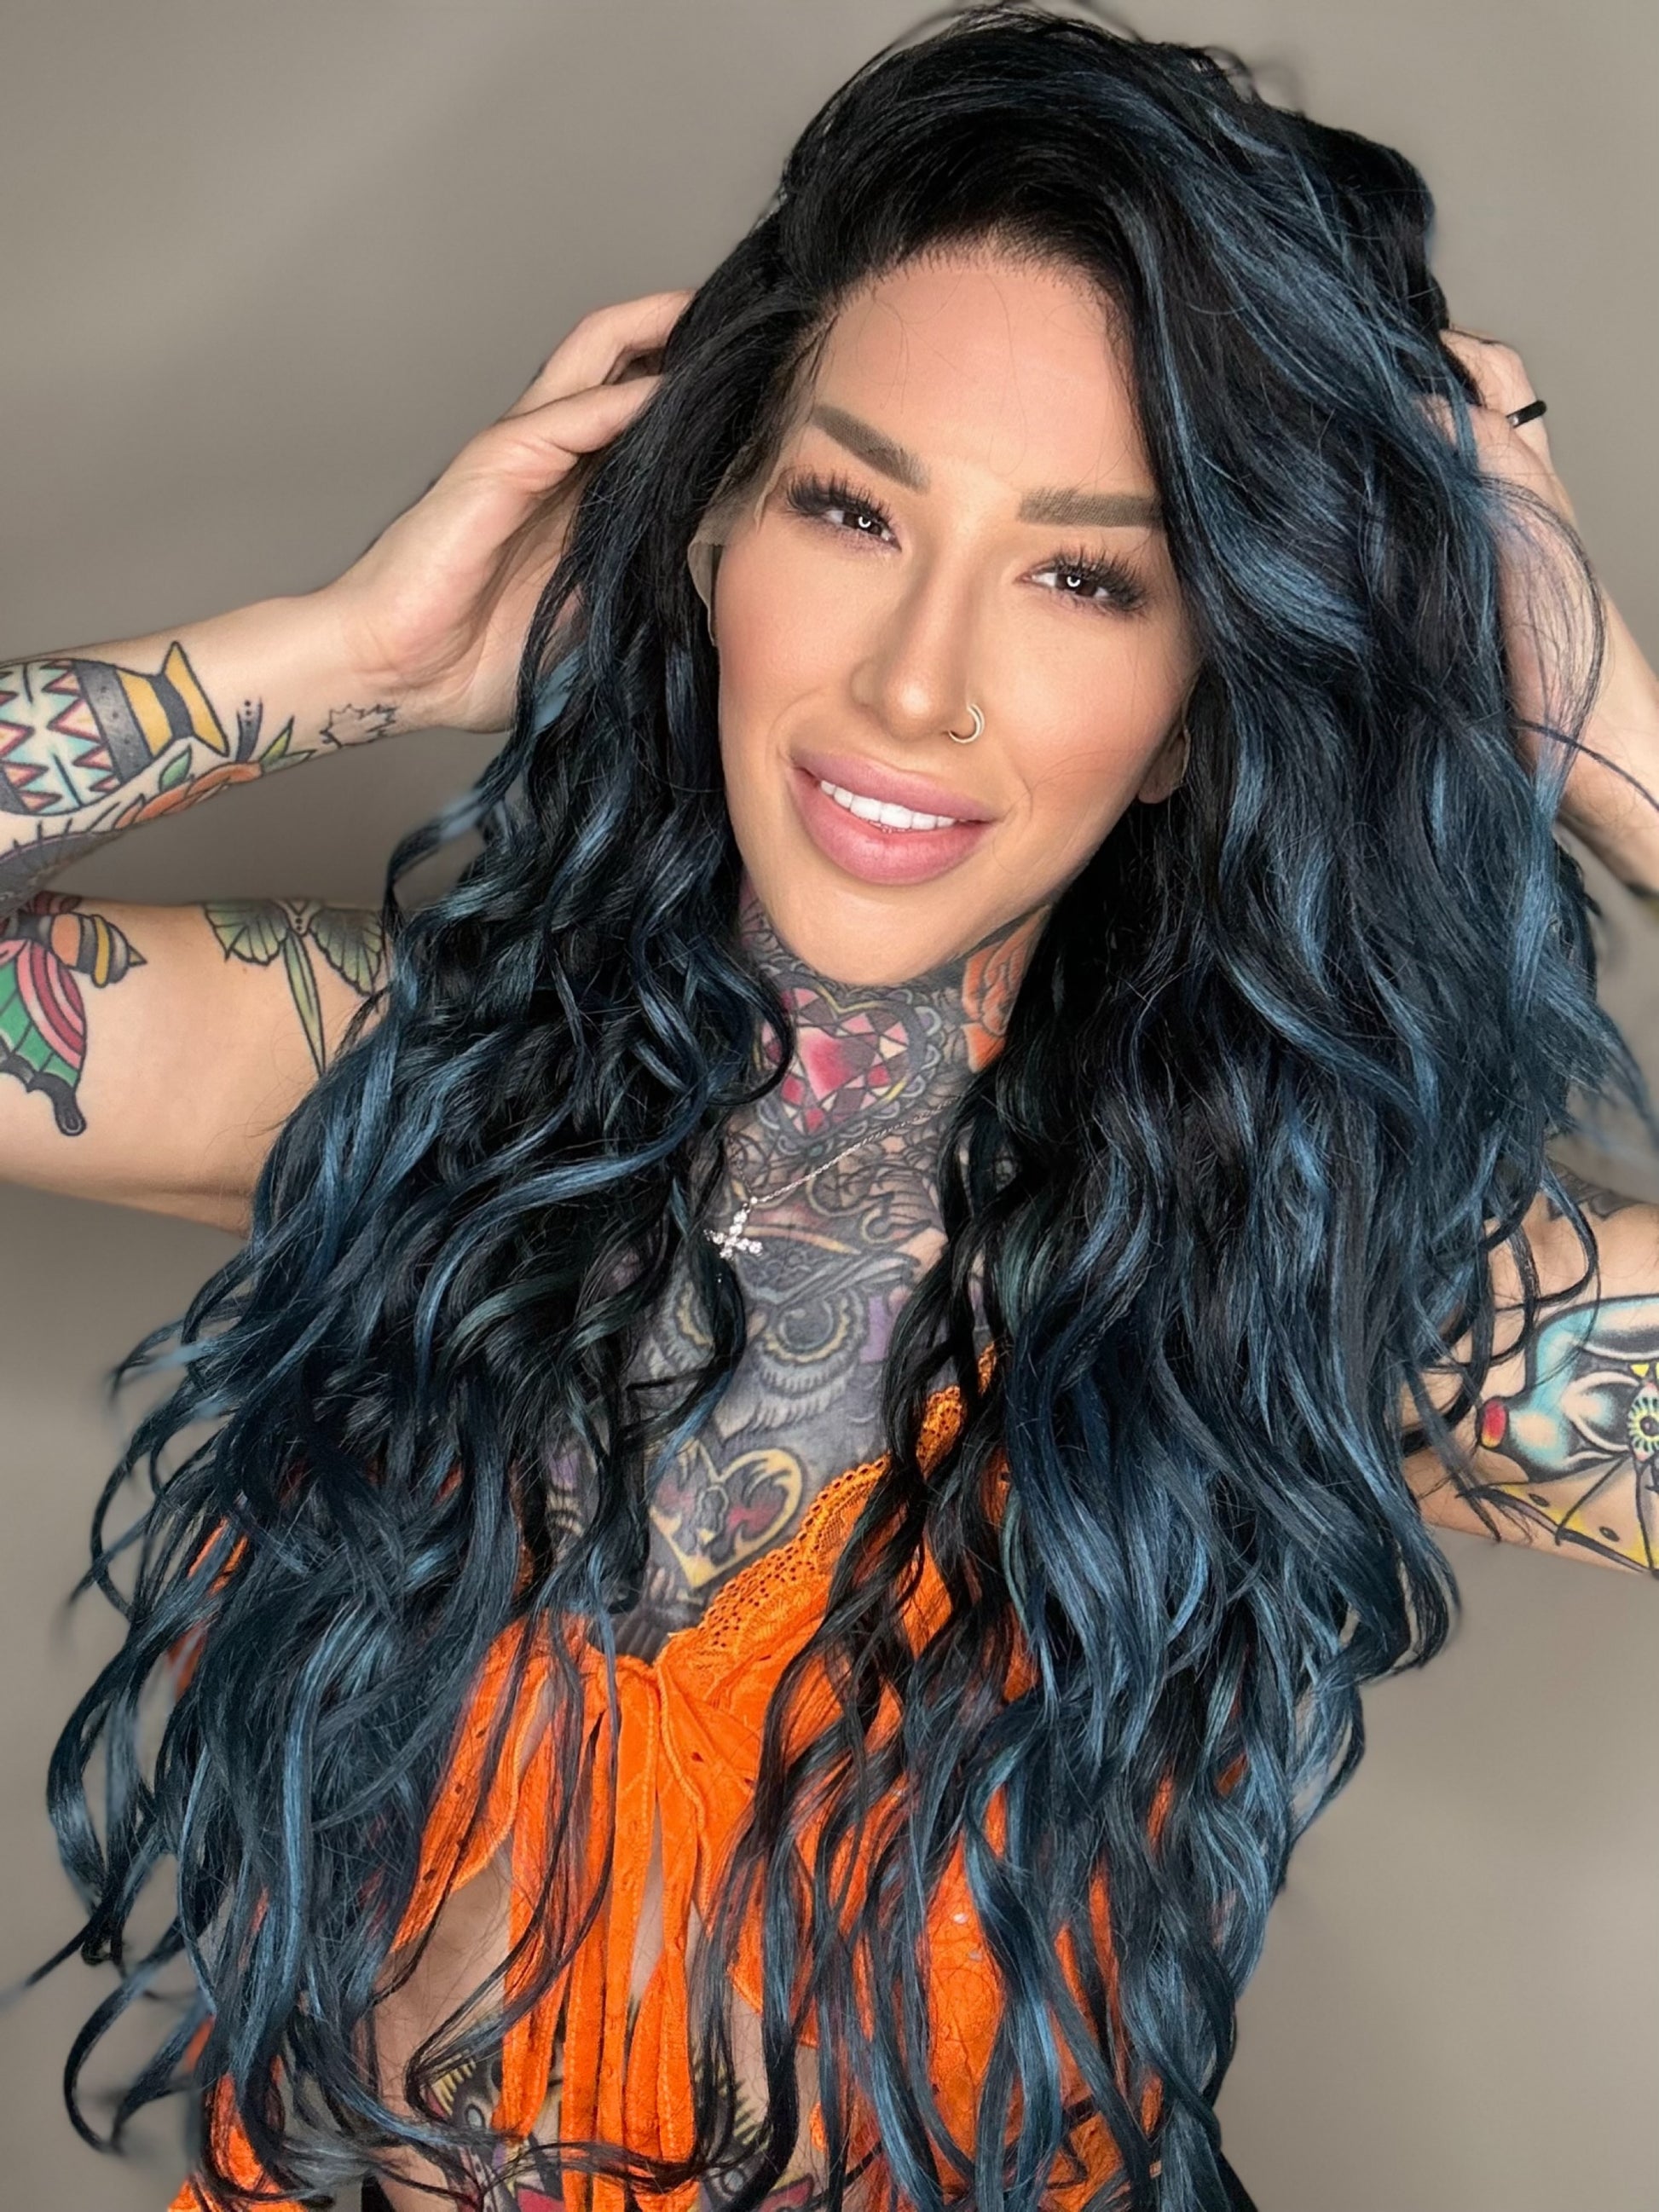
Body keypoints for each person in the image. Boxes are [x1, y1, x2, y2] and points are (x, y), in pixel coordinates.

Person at [6, 8, 1657, 2210]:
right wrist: (338, 658)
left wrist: (1602, 732)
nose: (909, 680)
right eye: (851, 508)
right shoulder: (407, 1089)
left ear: (1199, 706)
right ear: (706, 536)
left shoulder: (1307, 1295)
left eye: (1085, 575)